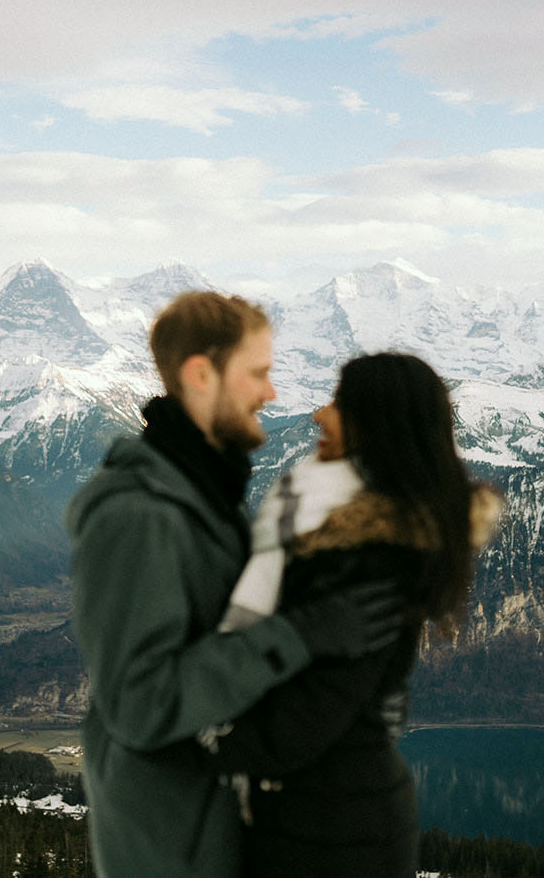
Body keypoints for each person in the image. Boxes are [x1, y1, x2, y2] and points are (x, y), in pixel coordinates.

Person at [66, 292, 408, 878]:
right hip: (170, 846)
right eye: (258, 373)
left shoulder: (203, 492)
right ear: (201, 374)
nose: (270, 393)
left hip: (208, 823)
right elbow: (138, 704)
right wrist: (297, 636)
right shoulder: (139, 516)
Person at [198, 351, 502, 877]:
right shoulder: (344, 535)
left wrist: (189, 740)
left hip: (335, 835)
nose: (319, 414)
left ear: (376, 424)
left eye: (338, 403)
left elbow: (313, 713)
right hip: (325, 816)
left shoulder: (368, 557)